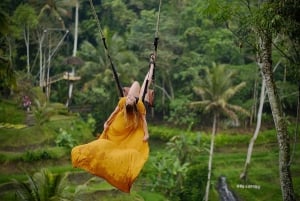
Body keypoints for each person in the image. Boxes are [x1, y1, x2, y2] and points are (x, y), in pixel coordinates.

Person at [71, 58, 155, 193]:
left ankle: (150, 70)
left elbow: (142, 120)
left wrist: (146, 134)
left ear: (133, 100)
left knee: (144, 84)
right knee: (143, 84)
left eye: (129, 98)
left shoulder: (135, 104)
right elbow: (115, 113)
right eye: (128, 97)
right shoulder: (129, 103)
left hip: (129, 126)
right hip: (121, 128)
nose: (128, 97)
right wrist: (107, 123)